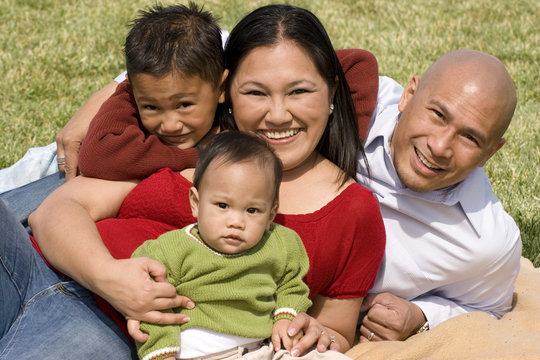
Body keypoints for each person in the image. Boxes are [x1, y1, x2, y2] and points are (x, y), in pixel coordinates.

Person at [3, 4, 386, 359]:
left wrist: (313, 332)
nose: (278, 114)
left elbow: (337, 330)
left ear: (333, 91)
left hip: (102, 327)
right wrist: (108, 276)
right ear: (226, 93)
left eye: (299, 91)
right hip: (36, 264)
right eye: (255, 92)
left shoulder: (353, 212)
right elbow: (57, 209)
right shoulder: (194, 145)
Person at [130, 131, 348, 360]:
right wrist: (160, 353)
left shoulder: (280, 244)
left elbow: (291, 285)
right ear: (196, 203)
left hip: (265, 348)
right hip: (199, 352)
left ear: (271, 214)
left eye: (252, 210)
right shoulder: (169, 250)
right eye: (222, 205)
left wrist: (286, 315)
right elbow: (152, 305)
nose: (236, 222)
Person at [355, 49, 522, 343]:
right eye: (438, 114)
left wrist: (422, 315)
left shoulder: (488, 244)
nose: (440, 146)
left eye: (470, 137)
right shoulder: (356, 103)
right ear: (408, 94)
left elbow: (490, 309)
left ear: (490, 152)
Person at [77, 2, 226, 180]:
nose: (170, 125)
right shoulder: (131, 95)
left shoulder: (240, 103)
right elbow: (97, 157)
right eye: (151, 107)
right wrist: (200, 154)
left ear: (221, 87)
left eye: (184, 105)